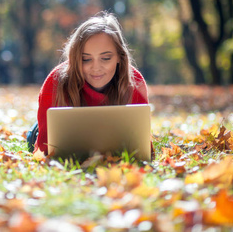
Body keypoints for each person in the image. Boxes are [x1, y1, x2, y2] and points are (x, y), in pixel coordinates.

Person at [29, 11, 152, 157]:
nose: (96, 67)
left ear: (120, 56)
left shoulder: (134, 81)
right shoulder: (56, 80)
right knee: (32, 136)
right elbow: (44, 148)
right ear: (75, 59)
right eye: (86, 59)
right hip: (42, 131)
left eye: (105, 58)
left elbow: (144, 148)